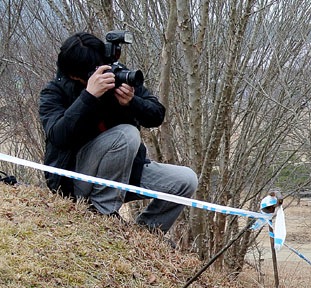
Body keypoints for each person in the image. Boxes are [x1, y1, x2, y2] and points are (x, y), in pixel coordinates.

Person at [39, 32, 198, 235]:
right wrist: (88, 96)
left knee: (185, 180)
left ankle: (144, 235)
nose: (101, 74)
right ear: (74, 75)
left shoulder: (115, 76)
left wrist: (132, 102)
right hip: (77, 178)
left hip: (124, 170)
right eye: (92, 72)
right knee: (126, 134)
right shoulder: (54, 92)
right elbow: (58, 135)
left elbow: (157, 115)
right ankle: (104, 212)